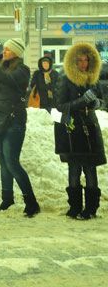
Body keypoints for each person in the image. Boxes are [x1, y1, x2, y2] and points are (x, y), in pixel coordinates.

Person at [0, 38, 40, 217]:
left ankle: (31, 202)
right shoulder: (1, 66)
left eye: (9, 50)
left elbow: (7, 79)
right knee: (4, 162)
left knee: (12, 162)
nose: (5, 52)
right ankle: (7, 198)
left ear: (17, 52)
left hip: (14, 121)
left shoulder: (23, 70)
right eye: (5, 49)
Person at [56, 42, 106, 219]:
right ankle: (75, 207)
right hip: (73, 129)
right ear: (73, 61)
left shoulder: (93, 78)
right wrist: (82, 101)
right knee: (74, 169)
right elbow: (60, 106)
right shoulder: (65, 79)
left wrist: (96, 103)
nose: (83, 63)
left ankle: (91, 208)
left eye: (86, 60)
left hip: (91, 128)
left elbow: (101, 101)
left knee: (90, 169)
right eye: (79, 60)